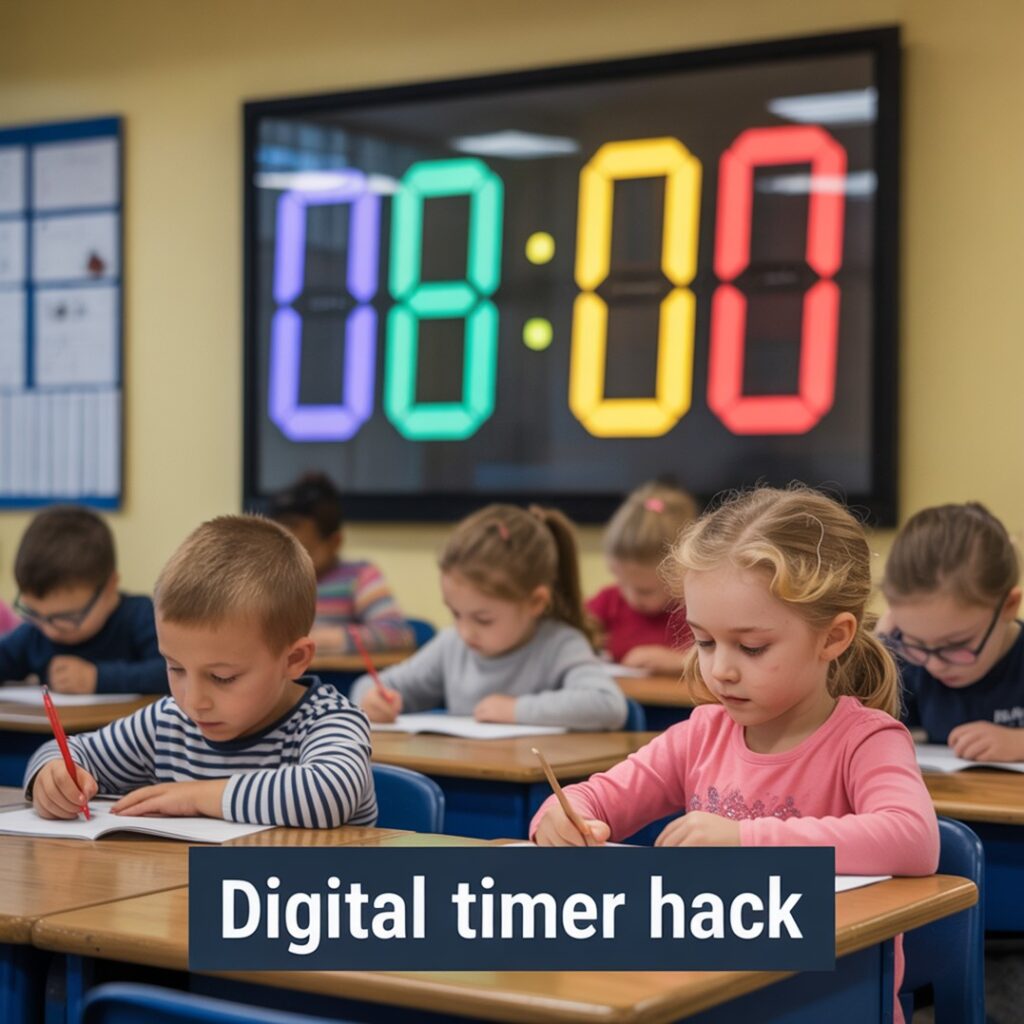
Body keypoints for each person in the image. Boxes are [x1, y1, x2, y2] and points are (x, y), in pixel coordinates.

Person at [531, 488, 938, 1020]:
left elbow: (913, 839)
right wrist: (564, 820)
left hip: (826, 999)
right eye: (703, 642)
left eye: (751, 648)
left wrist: (746, 839)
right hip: (706, 990)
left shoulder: (865, 740)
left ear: (833, 637)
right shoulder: (702, 733)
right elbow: (595, 798)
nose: (720, 669)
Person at [24, 515, 376, 828]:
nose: (193, 700)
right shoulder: (170, 722)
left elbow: (329, 793)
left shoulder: (328, 720)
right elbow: (67, 752)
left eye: (222, 677)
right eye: (175, 668)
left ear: (294, 659)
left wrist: (193, 797)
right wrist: (53, 778)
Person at [351, 504, 628, 731]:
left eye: (483, 619)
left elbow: (608, 705)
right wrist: (370, 699)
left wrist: (516, 710)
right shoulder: (452, 645)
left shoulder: (560, 645)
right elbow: (373, 684)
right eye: (455, 614)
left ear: (535, 602)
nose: (465, 631)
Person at [880, 502, 1023, 761]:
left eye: (956, 645)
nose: (935, 665)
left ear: (1009, 606)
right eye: (916, 642)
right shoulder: (908, 662)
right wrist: (880, 653)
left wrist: (1018, 743)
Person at [0, 506, 166, 693]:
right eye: (33, 612)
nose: (49, 631)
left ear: (110, 586)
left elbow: (171, 673)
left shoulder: (140, 617)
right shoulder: (33, 633)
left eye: (67, 617)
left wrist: (98, 678)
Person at [269, 473, 415, 653]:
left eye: (305, 552)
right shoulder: (267, 582)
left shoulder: (359, 576)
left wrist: (317, 641)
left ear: (334, 542)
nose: (290, 564)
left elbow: (397, 634)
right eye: (280, 552)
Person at [587, 481, 697, 673]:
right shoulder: (610, 600)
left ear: (681, 574)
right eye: (621, 583)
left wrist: (680, 661)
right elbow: (573, 628)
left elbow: (728, 659)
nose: (629, 597)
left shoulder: (697, 610)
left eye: (644, 591)